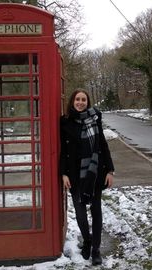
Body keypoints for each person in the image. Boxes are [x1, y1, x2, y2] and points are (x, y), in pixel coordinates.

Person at [60, 89, 115, 265]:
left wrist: (110, 170)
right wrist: (63, 173)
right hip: (75, 174)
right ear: (72, 101)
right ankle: (87, 240)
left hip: (95, 172)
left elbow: (103, 144)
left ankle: (96, 249)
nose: (81, 102)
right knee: (80, 212)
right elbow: (63, 150)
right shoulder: (65, 122)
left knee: (96, 211)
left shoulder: (95, 118)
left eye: (84, 99)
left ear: (88, 102)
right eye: (77, 99)